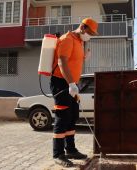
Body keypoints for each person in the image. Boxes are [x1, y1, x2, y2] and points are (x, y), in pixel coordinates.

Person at [50, 18, 98, 167]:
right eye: (89, 33)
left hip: (72, 83)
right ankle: (58, 154)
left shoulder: (79, 42)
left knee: (72, 116)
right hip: (61, 83)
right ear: (83, 28)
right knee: (62, 117)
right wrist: (71, 83)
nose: (90, 36)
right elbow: (62, 62)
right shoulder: (67, 39)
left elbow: (73, 60)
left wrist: (84, 57)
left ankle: (70, 149)